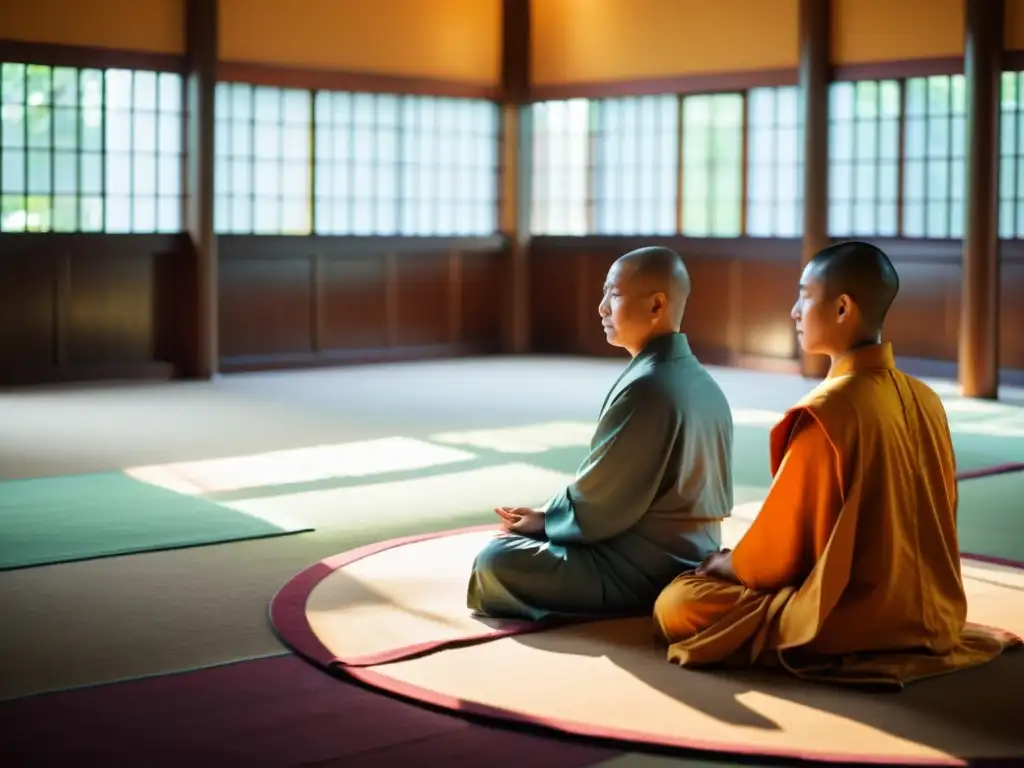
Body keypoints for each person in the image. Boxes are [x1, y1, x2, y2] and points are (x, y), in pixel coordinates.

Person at [652, 241, 1020, 687]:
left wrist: (725, 565)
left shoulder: (829, 410)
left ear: (843, 308)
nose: (794, 311)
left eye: (804, 295)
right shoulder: (927, 399)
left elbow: (771, 563)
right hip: (937, 613)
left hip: (854, 618)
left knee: (679, 602)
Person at [465, 246, 734, 621]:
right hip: (695, 550)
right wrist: (551, 516)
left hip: (646, 569)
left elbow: (602, 506)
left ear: (657, 306)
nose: (602, 307)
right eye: (605, 293)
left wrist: (546, 521)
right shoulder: (701, 381)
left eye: (614, 294)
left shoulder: (649, 388)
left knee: (497, 561)